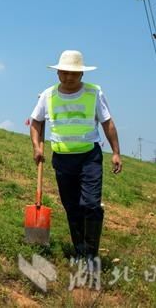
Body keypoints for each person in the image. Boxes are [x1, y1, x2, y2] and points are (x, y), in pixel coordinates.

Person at [29, 50, 122, 272]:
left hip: (89, 157)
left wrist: (116, 152)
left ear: (81, 74)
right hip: (62, 159)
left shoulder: (94, 93)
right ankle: (80, 250)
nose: (68, 77)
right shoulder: (48, 96)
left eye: (74, 73)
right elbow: (35, 122)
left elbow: (107, 123)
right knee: (71, 207)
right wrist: (37, 147)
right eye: (64, 72)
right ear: (58, 72)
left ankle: (91, 256)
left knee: (90, 205)